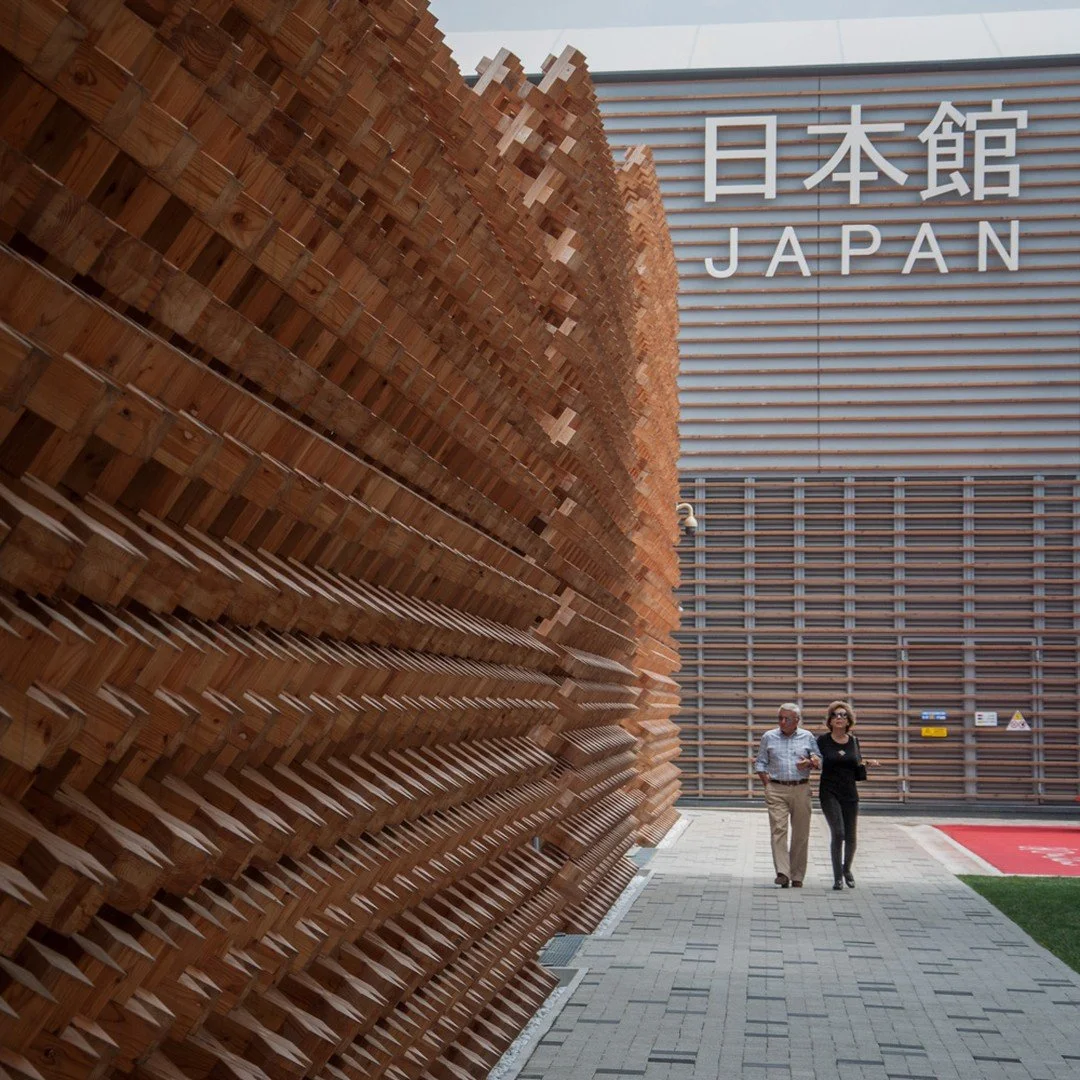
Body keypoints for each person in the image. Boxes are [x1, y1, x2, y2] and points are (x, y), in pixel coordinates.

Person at [754, 702, 821, 888]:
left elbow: (819, 760)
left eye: (787, 719)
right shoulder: (769, 736)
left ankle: (798, 875)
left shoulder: (807, 737)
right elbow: (760, 763)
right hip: (776, 788)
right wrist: (767, 785)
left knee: (801, 833)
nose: (782, 722)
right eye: (780, 718)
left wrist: (809, 762)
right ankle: (783, 872)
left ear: (797, 720)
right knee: (778, 831)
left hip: (801, 788)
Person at [816, 700, 881, 890]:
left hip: (849, 791)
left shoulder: (854, 741)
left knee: (851, 835)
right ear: (830, 719)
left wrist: (866, 764)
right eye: (836, 714)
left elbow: (855, 765)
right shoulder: (822, 741)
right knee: (838, 832)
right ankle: (837, 877)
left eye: (843, 715)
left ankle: (847, 870)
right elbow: (815, 759)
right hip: (829, 791)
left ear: (848, 720)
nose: (839, 718)